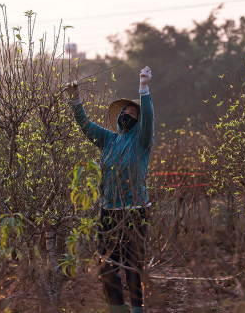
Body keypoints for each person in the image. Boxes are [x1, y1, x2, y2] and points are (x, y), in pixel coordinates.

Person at [65, 66, 154, 313]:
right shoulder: (108, 140)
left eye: (133, 113)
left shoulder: (143, 140)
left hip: (135, 209)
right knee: (106, 264)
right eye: (125, 111)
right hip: (108, 210)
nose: (128, 114)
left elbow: (149, 119)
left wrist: (143, 89)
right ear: (118, 118)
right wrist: (75, 100)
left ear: (139, 120)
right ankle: (117, 309)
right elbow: (86, 126)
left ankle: (138, 310)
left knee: (134, 265)